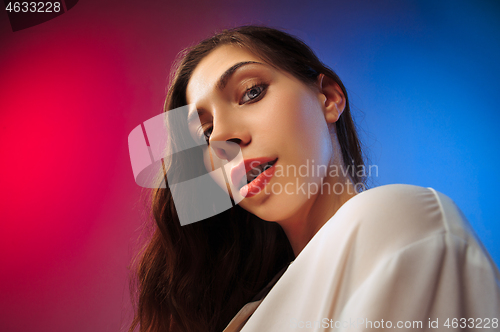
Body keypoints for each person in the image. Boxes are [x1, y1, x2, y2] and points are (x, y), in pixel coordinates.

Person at [129, 26, 500, 332]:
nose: (223, 137)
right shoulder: (252, 310)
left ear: (328, 97)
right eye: (206, 133)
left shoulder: (397, 218)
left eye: (251, 92)